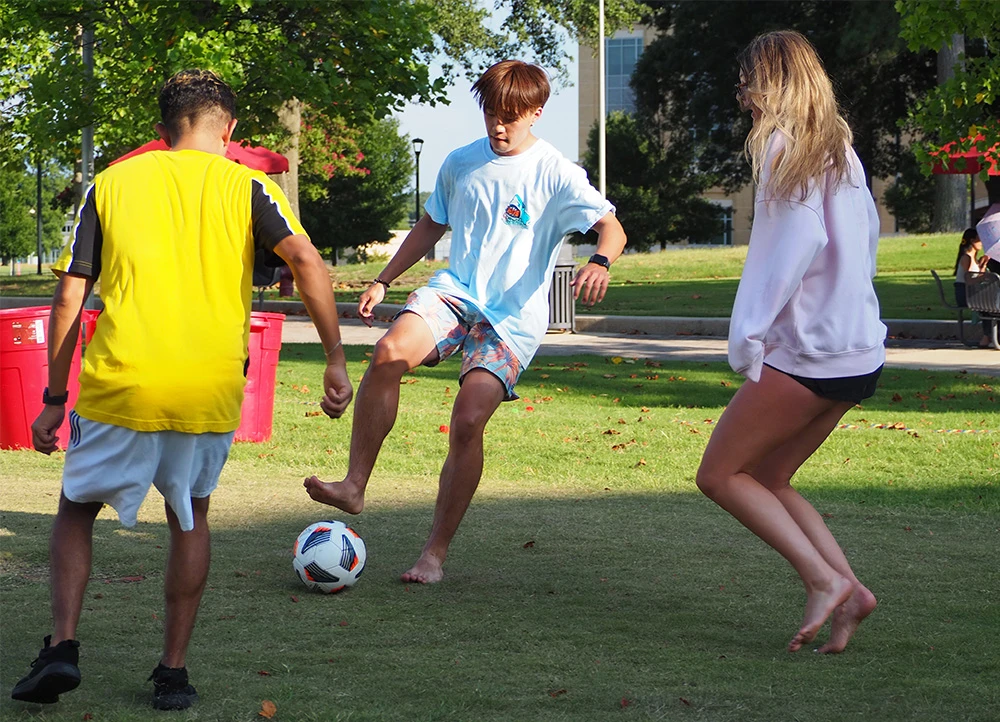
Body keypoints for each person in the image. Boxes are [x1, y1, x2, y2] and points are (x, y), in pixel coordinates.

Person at [12, 69, 353, 710]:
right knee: (189, 515)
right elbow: (307, 261)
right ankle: (172, 673)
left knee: (76, 510)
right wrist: (335, 359)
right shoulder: (249, 186)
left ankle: (61, 647)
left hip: (122, 384)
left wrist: (54, 400)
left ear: (161, 129)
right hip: (209, 387)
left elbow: (69, 296)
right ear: (229, 129)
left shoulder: (111, 184)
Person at [304, 59, 627, 584]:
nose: (498, 125)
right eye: (491, 114)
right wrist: (384, 279)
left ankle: (433, 555)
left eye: (510, 116)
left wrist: (600, 261)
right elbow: (430, 224)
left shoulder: (557, 173)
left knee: (469, 419)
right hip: (455, 293)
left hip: (512, 318)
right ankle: (354, 485)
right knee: (388, 353)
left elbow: (611, 227)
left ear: (535, 113)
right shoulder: (461, 162)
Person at [695, 31, 885, 654]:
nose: (743, 96)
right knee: (770, 474)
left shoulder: (784, 146)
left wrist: (747, 338)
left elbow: (788, 251)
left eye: (748, 82)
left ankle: (823, 580)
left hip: (811, 352)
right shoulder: (841, 149)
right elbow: (864, 244)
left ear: (773, 83)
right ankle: (851, 593)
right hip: (857, 351)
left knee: (719, 474)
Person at [953, 228, 995, 348]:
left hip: (972, 293)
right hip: (964, 294)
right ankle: (986, 337)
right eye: (980, 240)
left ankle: (990, 336)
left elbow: (976, 278)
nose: (982, 243)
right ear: (972, 241)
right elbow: (969, 280)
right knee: (989, 307)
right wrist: (985, 276)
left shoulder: (974, 259)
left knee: (992, 305)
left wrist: (983, 266)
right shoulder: (966, 258)